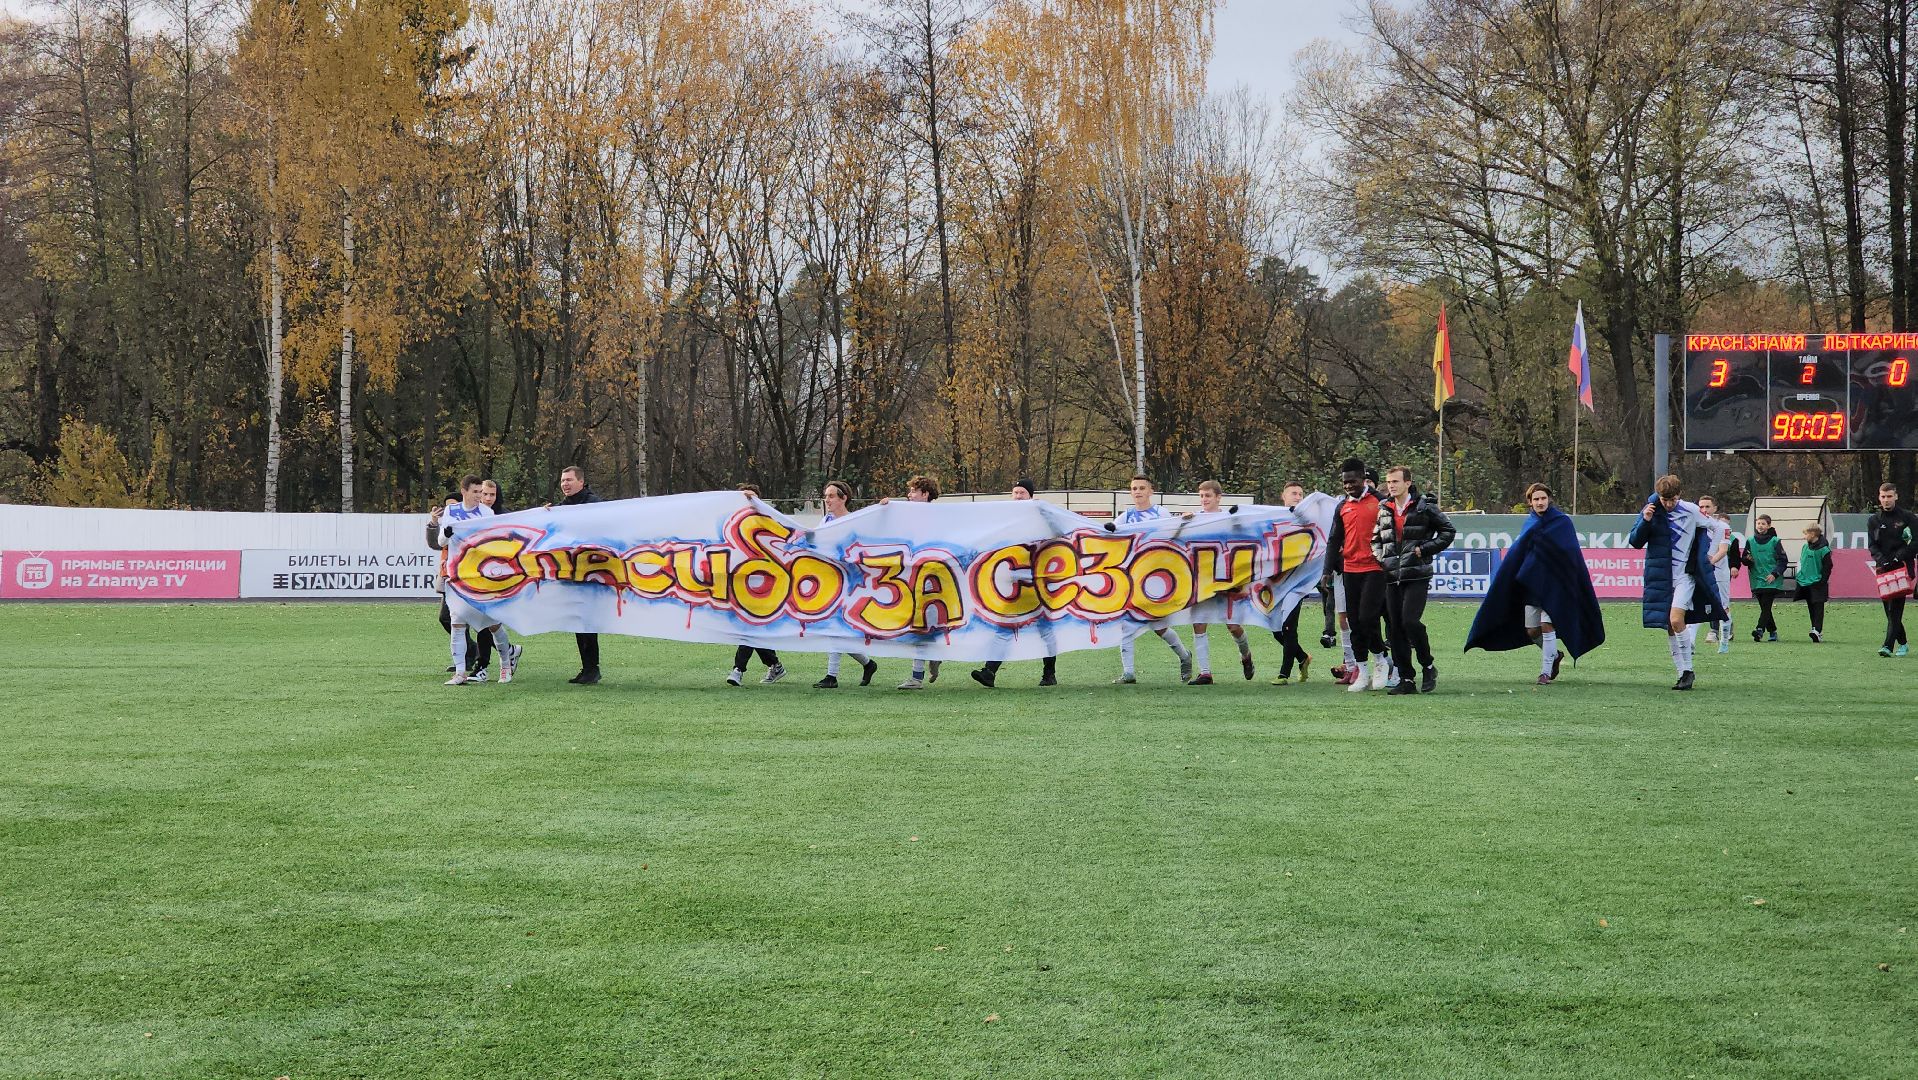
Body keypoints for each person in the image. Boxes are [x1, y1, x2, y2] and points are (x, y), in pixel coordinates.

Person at [1464, 483, 1604, 685]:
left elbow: (1571, 554)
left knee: (1547, 625)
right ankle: (1555, 655)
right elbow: (1518, 555)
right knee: (1531, 630)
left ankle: (1545, 672)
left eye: (1543, 498)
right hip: (1533, 587)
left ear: (1549, 499)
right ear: (1530, 502)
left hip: (1555, 587)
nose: (1540, 502)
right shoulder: (1529, 524)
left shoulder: (1562, 522)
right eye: (1536, 499)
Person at [1627, 474, 1726, 691]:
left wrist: (1710, 554)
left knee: (1676, 619)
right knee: (1670, 627)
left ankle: (1688, 670)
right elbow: (1634, 541)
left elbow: (1717, 527)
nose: (1669, 504)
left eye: (1672, 500)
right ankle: (1682, 673)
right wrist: (1645, 520)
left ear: (1679, 496)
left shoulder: (1690, 510)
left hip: (1685, 576)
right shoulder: (1651, 509)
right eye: (1665, 500)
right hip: (1662, 577)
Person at [1371, 466, 1455, 695]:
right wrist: (1383, 559)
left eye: (1395, 481)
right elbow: (1376, 539)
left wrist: (1425, 549)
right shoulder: (1384, 508)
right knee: (1395, 628)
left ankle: (1428, 665)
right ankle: (1406, 679)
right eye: (1389, 482)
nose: (1391, 485)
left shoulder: (1424, 506)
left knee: (1410, 621)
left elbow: (1448, 531)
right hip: (1391, 576)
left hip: (1416, 574)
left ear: (1408, 483)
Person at [971, 478, 1061, 688]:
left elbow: (1059, 533)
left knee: (1044, 629)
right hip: (1014, 583)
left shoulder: (1041, 515)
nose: (1018, 496)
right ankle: (989, 672)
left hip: (1037, 583)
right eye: (1015, 492)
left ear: (1030, 495)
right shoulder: (1007, 519)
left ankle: (1049, 673)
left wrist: (1044, 512)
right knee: (1005, 626)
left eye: (1022, 493)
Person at [433, 474, 518, 686]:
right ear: (464, 492)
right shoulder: (452, 511)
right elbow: (441, 540)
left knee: (493, 624)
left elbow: (493, 542)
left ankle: (506, 665)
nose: (480, 496)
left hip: (481, 576)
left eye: (482, 492)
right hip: (458, 575)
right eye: (476, 492)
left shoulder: (486, 513)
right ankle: (460, 673)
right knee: (457, 623)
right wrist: (448, 533)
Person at [1112, 474, 1195, 684]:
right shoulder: (1125, 516)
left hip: (1158, 577)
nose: (1137, 492)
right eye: (1134, 488)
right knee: (1127, 623)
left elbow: (1173, 534)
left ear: (1150, 491)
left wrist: (1184, 522)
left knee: (1158, 626)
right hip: (1133, 578)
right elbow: (1108, 531)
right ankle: (1129, 672)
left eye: (1141, 488)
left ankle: (1185, 656)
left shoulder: (1160, 513)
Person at [1327, 458, 1389, 692]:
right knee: (1354, 623)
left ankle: (1381, 659)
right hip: (1350, 570)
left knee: (1368, 618)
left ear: (1364, 478)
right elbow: (1334, 539)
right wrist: (1326, 570)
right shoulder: (1342, 506)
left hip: (1375, 568)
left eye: (1352, 481)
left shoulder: (1381, 502)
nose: (1348, 486)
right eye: (1344, 482)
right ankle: (1362, 671)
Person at [1185, 480, 1256, 685]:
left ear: (1218, 497)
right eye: (1201, 496)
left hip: (1226, 578)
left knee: (1233, 626)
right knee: (1198, 623)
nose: (1204, 500)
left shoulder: (1229, 519)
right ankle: (1205, 673)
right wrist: (1183, 523)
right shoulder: (1195, 519)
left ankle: (1246, 656)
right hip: (1203, 578)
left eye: (1208, 496)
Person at [813, 480, 880, 689]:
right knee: (835, 628)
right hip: (830, 580)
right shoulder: (826, 520)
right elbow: (813, 541)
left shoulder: (853, 522)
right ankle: (867, 664)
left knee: (835, 626)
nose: (827, 500)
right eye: (826, 496)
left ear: (844, 498)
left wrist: (885, 507)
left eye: (831, 496)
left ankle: (832, 676)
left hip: (850, 583)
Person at [724, 484, 788, 686]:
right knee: (752, 629)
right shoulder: (733, 523)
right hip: (741, 583)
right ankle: (775, 664)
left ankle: (738, 670)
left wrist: (756, 504)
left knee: (749, 628)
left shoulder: (765, 522)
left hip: (765, 583)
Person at [546, 465, 603, 684]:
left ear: (581, 481)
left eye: (569, 480)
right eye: (562, 481)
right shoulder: (561, 508)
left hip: (593, 573)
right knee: (579, 620)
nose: (565, 484)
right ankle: (588, 668)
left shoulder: (595, 504)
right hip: (573, 572)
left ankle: (592, 668)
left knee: (587, 620)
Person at [891, 475, 946, 690]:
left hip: (932, 579)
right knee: (920, 626)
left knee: (921, 626)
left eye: (914, 491)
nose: (909, 495)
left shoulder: (938, 518)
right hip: (912, 577)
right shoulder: (907, 518)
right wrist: (885, 507)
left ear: (925, 494)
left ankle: (917, 676)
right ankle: (934, 653)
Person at [466, 479, 522, 680]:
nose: (488, 498)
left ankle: (483, 666)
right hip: (476, 575)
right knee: (482, 620)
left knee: (487, 620)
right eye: (485, 494)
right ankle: (507, 653)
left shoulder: (503, 517)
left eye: (493, 495)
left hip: (498, 576)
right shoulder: (470, 516)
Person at [1269, 481, 1314, 685]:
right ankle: (1302, 657)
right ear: (1283, 496)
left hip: (1297, 583)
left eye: (1301, 493)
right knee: (1276, 628)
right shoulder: (1274, 519)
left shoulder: (1308, 521)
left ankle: (1284, 674)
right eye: (1294, 493)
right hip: (1276, 582)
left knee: (1288, 626)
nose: (1298, 496)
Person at [1867, 482, 1918, 657]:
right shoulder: (1874, 520)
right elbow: (1872, 545)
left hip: (1902, 567)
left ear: (1896, 496)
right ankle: (1903, 643)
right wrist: (1882, 560)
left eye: (1889, 496)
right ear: (1879, 498)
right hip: (1884, 569)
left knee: (1895, 608)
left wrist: (1899, 556)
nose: (1886, 500)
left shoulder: (1908, 517)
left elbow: (1916, 542)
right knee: (1888, 610)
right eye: (1883, 497)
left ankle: (1887, 646)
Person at [1697, 495, 1735, 652]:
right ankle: (1690, 644)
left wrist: (1708, 564)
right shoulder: (1696, 526)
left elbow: (1723, 550)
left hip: (1719, 572)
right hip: (1699, 572)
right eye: (1701, 507)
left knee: (1723, 606)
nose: (1704, 510)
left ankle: (1724, 642)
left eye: (1707, 507)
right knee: (1694, 605)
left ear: (1714, 509)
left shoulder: (1722, 527)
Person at [1743, 513, 1786, 643]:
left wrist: (1775, 574)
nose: (1760, 526)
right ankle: (1772, 631)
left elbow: (1783, 560)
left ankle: (1759, 629)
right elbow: (1744, 560)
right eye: (1758, 523)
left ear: (1768, 526)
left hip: (1771, 579)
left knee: (1766, 605)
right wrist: (1747, 559)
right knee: (1764, 607)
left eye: (1763, 524)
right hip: (1757, 578)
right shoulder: (1750, 541)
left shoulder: (1775, 541)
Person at [1796, 523, 1832, 643]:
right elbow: (1802, 562)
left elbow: (1828, 567)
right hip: (1806, 582)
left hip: (1818, 582)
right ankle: (1815, 629)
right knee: (1811, 607)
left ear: (1812, 534)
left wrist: (1822, 581)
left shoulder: (1824, 550)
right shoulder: (1805, 547)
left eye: (1805, 534)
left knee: (1818, 607)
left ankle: (1817, 630)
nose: (1804, 536)